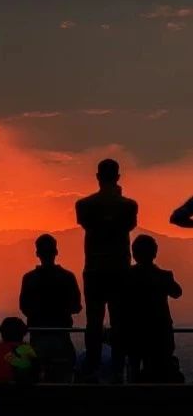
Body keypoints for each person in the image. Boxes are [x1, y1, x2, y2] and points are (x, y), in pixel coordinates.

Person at [75, 158, 138, 382]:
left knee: (93, 321)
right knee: (120, 320)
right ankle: (118, 368)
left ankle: (92, 365)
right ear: (118, 177)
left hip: (93, 268)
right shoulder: (129, 206)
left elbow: (90, 223)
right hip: (120, 269)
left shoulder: (84, 206)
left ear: (98, 177)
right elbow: (127, 225)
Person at [19, 234, 82, 382]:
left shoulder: (29, 278)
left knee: (38, 379)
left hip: (38, 334)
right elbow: (76, 306)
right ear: (56, 252)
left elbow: (23, 306)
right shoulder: (67, 277)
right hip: (61, 334)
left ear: (37, 254)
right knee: (62, 378)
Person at [124, 234, 182, 382]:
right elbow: (177, 292)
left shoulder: (127, 276)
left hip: (135, 332)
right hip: (160, 334)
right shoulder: (163, 276)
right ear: (154, 253)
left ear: (134, 254)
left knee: (134, 371)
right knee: (158, 374)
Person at [0, 317, 38, 386]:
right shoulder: (27, 349)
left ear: (2, 333)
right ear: (22, 333)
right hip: (23, 389)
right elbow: (37, 370)